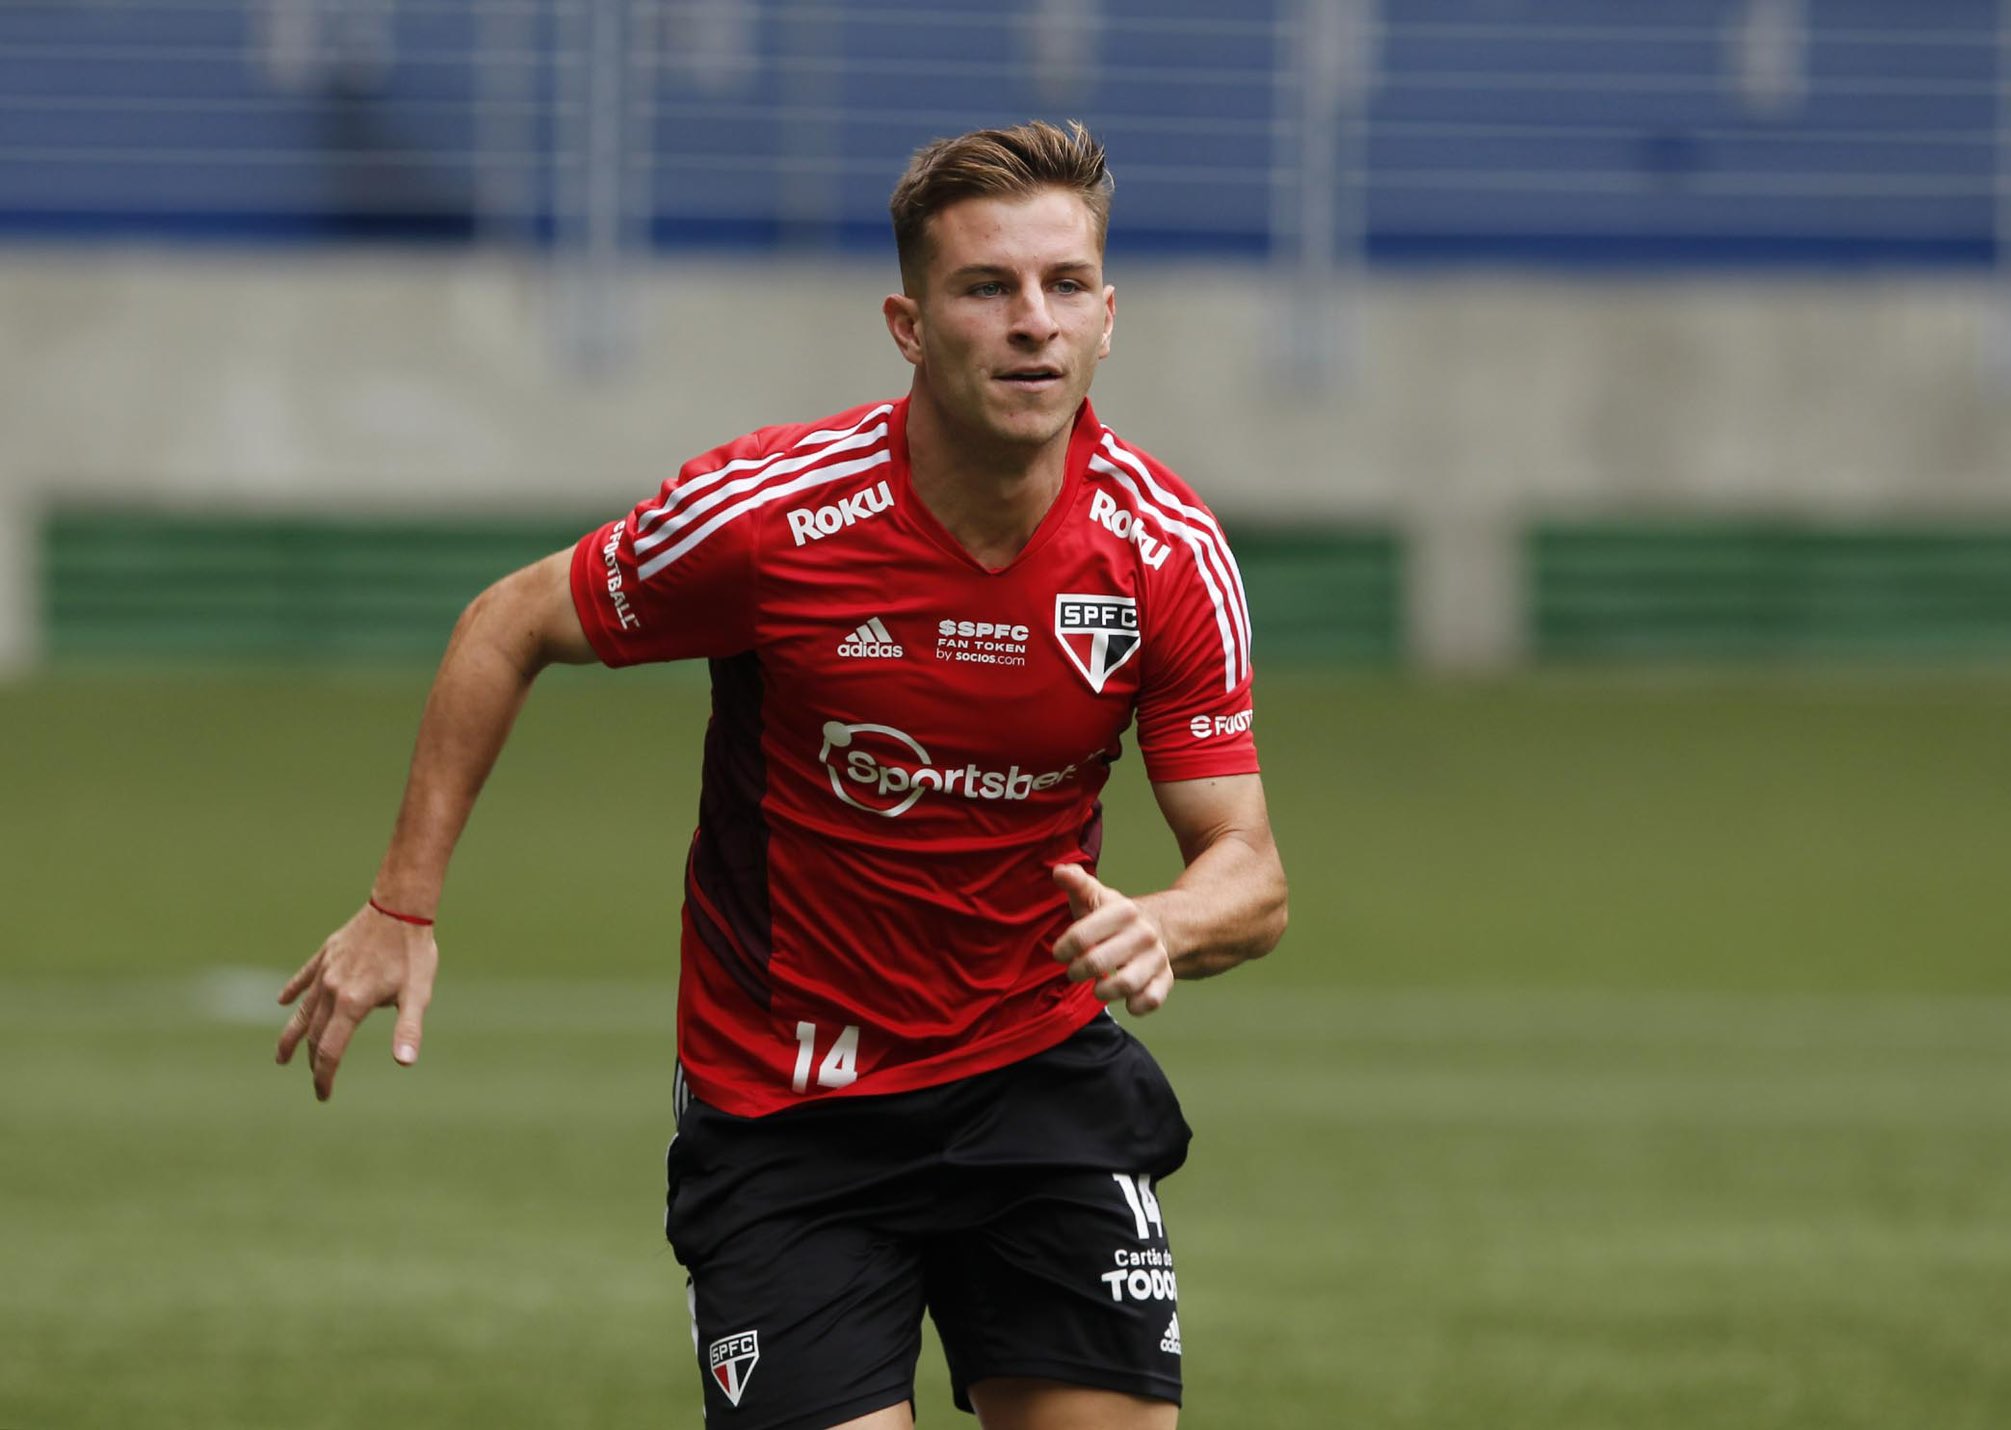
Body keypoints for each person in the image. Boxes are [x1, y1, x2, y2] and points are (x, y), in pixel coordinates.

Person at [276, 119, 1287, 1430]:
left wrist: (1166, 919)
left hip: (1035, 1083)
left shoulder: (1161, 552)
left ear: (1109, 314)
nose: (1033, 321)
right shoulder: (769, 519)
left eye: (1065, 285)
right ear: (909, 323)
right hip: (785, 1109)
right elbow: (511, 621)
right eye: (987, 287)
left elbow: (1250, 871)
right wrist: (400, 901)